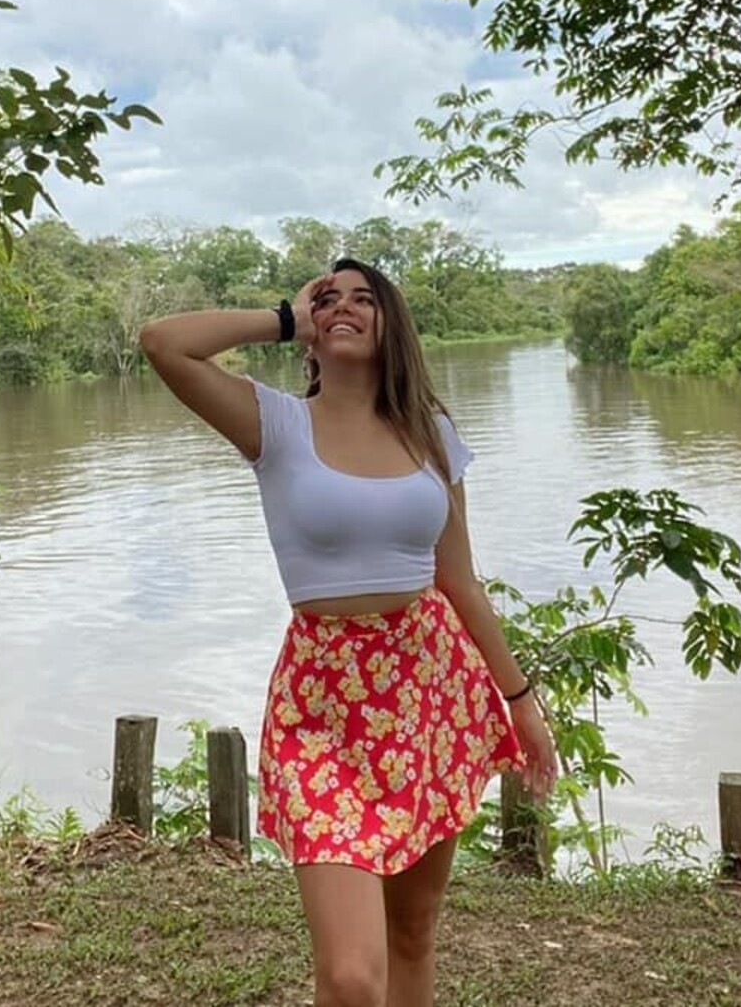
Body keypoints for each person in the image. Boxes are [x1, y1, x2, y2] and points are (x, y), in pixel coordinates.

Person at [140, 258, 557, 1007]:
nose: (344, 307)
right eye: (327, 298)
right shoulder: (276, 424)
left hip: (429, 691)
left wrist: (520, 701)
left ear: (391, 325)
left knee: (412, 934)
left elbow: (460, 581)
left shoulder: (430, 432)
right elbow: (165, 342)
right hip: (322, 708)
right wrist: (283, 318)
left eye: (365, 298)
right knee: (351, 975)